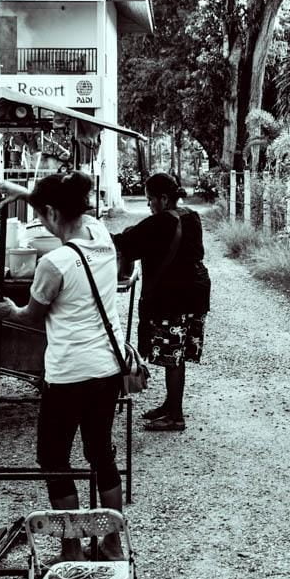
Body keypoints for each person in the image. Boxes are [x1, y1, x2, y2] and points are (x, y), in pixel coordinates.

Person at [0, 172, 124, 562]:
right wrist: (20, 192)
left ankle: (72, 548)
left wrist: (7, 311)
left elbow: (31, 316)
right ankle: (112, 543)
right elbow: (59, 203)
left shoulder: (54, 263)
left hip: (67, 374)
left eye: (41, 215)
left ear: (50, 212)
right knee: (101, 453)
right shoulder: (101, 236)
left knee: (54, 458)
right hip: (107, 369)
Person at [114, 173, 211, 432]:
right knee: (175, 355)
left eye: (150, 200)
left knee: (173, 357)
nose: (149, 206)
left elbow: (125, 244)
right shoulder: (191, 216)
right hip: (196, 295)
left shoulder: (158, 224)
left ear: (163, 198)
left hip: (175, 299)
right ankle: (170, 405)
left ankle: (175, 416)